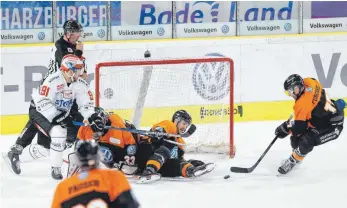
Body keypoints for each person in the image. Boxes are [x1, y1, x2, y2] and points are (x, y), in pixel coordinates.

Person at [3, 20, 86, 170]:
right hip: (51, 87)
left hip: (63, 88)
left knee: (51, 118)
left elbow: (81, 72)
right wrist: (79, 53)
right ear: (68, 33)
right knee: (39, 117)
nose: (79, 35)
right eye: (76, 32)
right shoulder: (61, 46)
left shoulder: (72, 47)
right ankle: (18, 148)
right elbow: (68, 65)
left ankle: (62, 140)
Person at [3, 54, 100, 180]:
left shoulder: (79, 83)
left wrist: (92, 116)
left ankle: (15, 157)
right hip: (39, 111)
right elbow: (42, 102)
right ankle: (56, 169)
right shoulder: (53, 80)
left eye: (80, 70)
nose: (79, 73)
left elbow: (85, 104)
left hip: (60, 114)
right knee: (59, 132)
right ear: (68, 70)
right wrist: (59, 117)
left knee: (46, 149)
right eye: (76, 70)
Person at [275, 74, 345, 174]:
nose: (290, 94)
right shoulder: (310, 82)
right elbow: (309, 106)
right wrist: (290, 126)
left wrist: (285, 128)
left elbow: (300, 127)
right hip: (326, 116)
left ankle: (293, 161)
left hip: (333, 125)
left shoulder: (301, 105)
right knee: (295, 139)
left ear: (297, 88)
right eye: (288, 92)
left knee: (306, 140)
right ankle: (297, 157)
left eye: (291, 91)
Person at [51, 139, 140, 208]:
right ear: (98, 157)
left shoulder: (62, 187)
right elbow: (130, 204)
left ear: (77, 159)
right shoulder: (113, 176)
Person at [136, 110, 215, 182]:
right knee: (165, 150)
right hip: (144, 154)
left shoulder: (179, 141)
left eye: (187, 125)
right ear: (176, 121)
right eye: (184, 124)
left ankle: (191, 171)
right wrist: (158, 132)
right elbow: (159, 129)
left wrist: (190, 163)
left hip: (159, 166)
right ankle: (148, 172)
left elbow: (177, 160)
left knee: (180, 163)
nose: (185, 127)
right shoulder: (169, 125)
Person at [66, 108, 138, 177]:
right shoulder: (85, 127)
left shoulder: (117, 124)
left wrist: (128, 162)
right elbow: (77, 149)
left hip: (117, 156)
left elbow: (131, 146)